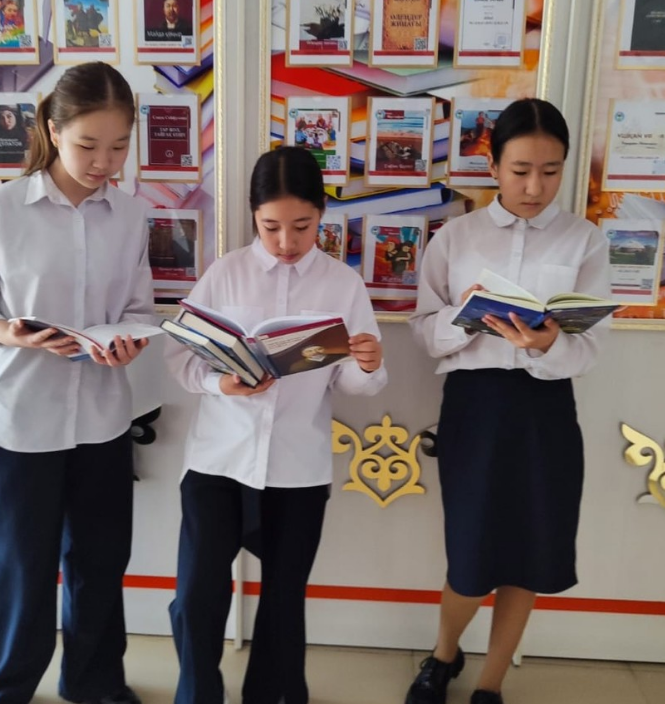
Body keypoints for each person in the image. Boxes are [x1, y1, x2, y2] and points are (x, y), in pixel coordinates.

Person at [0, 62, 153, 704]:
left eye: (118, 146)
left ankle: (94, 682)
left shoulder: (130, 215)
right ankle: (5, 689)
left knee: (100, 562)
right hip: (22, 417)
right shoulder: (5, 207)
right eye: (89, 144)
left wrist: (127, 341)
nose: (104, 163)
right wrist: (10, 333)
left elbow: (140, 309)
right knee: (23, 565)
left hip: (102, 417)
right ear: (53, 129)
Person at [165, 146, 388, 704]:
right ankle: (198, 695)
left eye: (302, 226)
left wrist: (367, 364)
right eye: (270, 227)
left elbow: (354, 384)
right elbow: (181, 358)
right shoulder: (225, 274)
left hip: (296, 466)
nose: (286, 242)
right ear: (253, 215)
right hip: (219, 461)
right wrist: (223, 383)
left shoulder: (342, 284)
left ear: (321, 215)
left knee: (284, 600)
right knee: (196, 595)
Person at [406, 98, 611, 704]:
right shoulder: (457, 237)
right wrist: (464, 318)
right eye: (520, 170)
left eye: (550, 171)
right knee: (470, 557)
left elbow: (591, 348)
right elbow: (423, 331)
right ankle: (444, 654)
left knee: (531, 552)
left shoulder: (584, 240)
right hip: (476, 406)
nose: (534, 187)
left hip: (546, 411)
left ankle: (490, 684)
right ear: (493, 165)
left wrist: (548, 344)